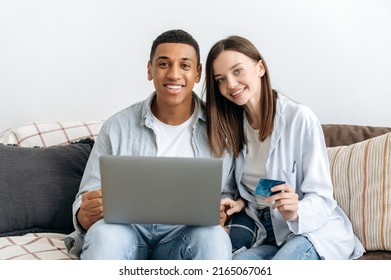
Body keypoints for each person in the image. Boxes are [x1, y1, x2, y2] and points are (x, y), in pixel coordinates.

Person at [66, 29, 236, 260]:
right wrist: (83, 214)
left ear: (198, 74)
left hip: (183, 235)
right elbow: (86, 195)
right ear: (150, 70)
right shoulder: (117, 126)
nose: (174, 74)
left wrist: (222, 211)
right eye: (164, 64)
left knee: (214, 237)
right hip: (125, 230)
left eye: (185, 66)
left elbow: (227, 194)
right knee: (106, 236)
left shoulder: (222, 130)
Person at [204, 35, 365, 260]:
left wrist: (295, 210)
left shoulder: (299, 118)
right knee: (235, 265)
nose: (230, 84)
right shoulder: (232, 127)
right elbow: (256, 186)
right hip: (267, 233)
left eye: (237, 71)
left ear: (260, 68)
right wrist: (239, 202)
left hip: (311, 232)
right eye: (220, 79)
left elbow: (321, 197)